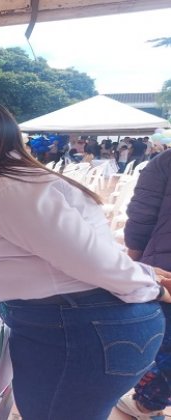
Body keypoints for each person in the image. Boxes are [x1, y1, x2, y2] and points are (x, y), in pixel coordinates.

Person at [0, 100, 171, 419]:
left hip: (82, 328)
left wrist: (154, 288)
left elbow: (92, 260)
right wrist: (146, 275)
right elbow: (76, 249)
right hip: (73, 325)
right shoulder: (4, 185)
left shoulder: (6, 191)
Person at [116, 148, 171, 419]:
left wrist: (135, 268)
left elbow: (141, 217)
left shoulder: (166, 161)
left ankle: (148, 406)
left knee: (162, 344)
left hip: (166, 269)